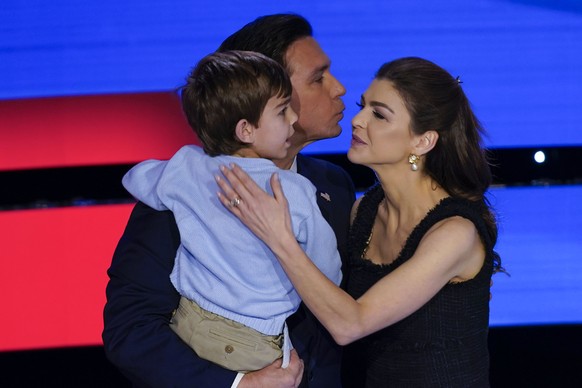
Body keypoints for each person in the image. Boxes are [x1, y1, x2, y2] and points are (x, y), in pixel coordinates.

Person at [216, 57, 503, 387]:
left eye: (379, 115)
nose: (357, 121)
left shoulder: (454, 233)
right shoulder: (362, 212)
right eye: (361, 107)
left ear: (422, 141)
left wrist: (279, 238)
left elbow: (350, 324)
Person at [102, 14, 355, 388]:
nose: (340, 88)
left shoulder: (332, 183)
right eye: (318, 78)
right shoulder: (187, 189)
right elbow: (131, 330)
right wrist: (240, 384)